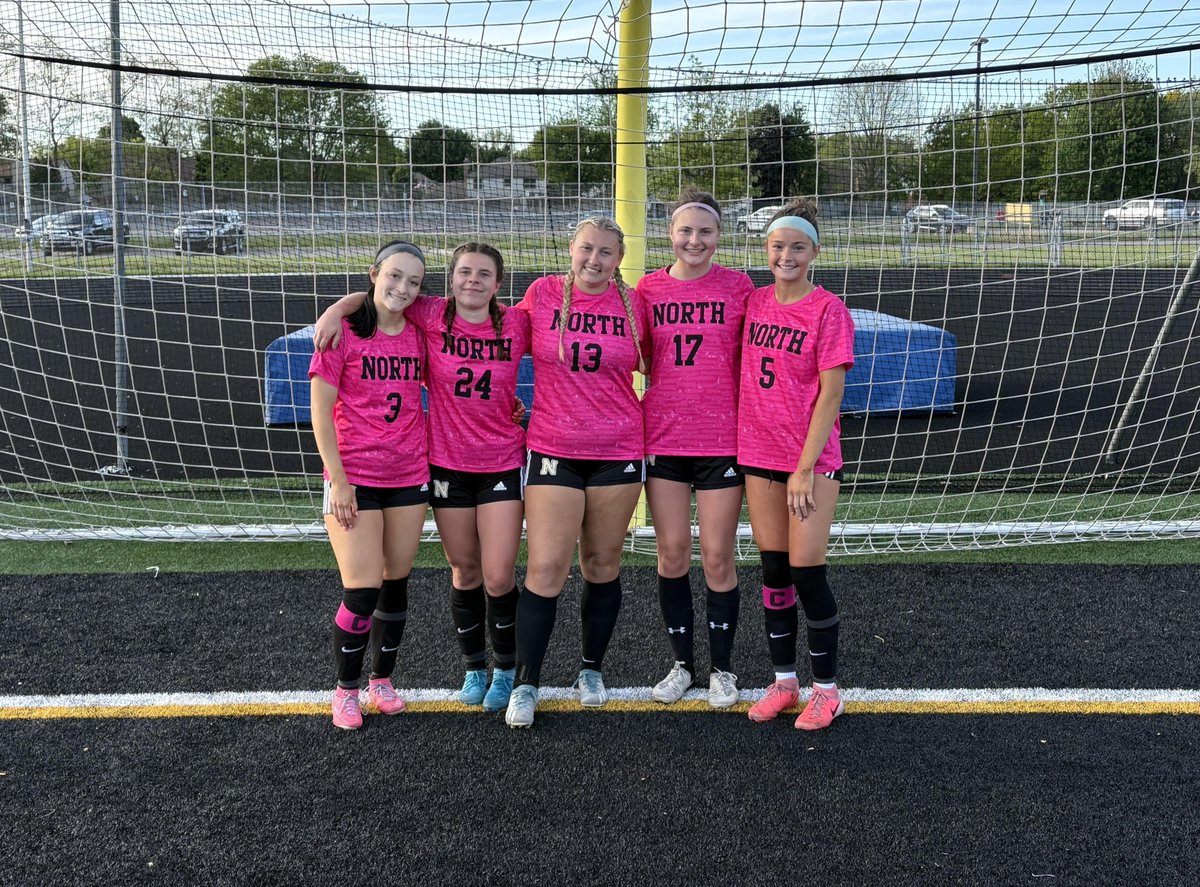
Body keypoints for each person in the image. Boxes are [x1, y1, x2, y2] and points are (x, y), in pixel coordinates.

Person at [313, 243, 531, 714]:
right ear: (451, 281)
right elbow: (381, 297)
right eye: (465, 272)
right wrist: (337, 307)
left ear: (499, 283)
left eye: (485, 274)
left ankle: (501, 672)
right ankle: (360, 687)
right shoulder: (428, 316)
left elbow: (562, 349)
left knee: (490, 575)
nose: (473, 280)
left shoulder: (515, 322)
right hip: (426, 465)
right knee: (437, 574)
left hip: (447, 467)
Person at [504, 216, 650, 729]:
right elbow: (490, 338)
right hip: (553, 448)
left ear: (620, 258)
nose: (595, 260)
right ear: (571, 249)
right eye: (587, 249)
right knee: (546, 568)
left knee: (602, 564)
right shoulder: (541, 295)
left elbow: (665, 366)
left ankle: (590, 670)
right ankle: (526, 683)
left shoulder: (636, 305)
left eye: (606, 252)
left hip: (619, 449)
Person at [737, 199, 854, 731]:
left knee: (807, 572)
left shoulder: (828, 310)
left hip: (809, 462)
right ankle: (785, 683)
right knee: (774, 571)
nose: (787, 255)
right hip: (757, 455)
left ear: (815, 253)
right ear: (766, 249)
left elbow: (832, 394)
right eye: (779, 245)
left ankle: (827, 691)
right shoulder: (754, 302)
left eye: (798, 247)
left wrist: (804, 468)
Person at [638, 187, 754, 709]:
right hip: (664, 436)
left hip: (721, 440)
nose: (695, 240)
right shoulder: (648, 289)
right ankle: (682, 664)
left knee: (718, 555)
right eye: (685, 230)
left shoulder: (738, 286)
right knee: (672, 552)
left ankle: (722, 670)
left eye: (705, 231)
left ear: (719, 236)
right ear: (670, 233)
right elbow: (638, 356)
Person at [308, 240, 430, 730]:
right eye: (394, 275)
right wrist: (338, 481)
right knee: (362, 588)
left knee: (395, 582)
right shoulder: (343, 334)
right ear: (374, 273)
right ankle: (345, 690)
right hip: (354, 476)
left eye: (414, 281)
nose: (403, 288)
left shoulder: (420, 332)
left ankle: (382, 680)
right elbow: (320, 413)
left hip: (409, 474)